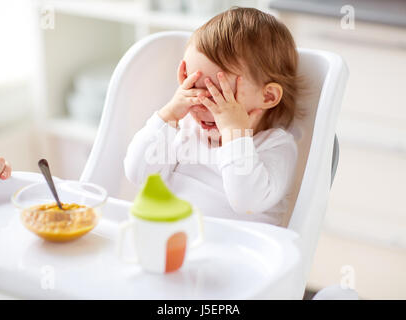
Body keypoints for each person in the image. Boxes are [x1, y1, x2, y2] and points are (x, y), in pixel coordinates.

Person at [124, 7, 300, 227]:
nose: (202, 103)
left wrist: (234, 134)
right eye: (193, 89)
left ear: (267, 95)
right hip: (172, 240)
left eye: (220, 94)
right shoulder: (185, 128)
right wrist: (169, 114)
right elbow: (138, 174)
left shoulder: (276, 146)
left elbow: (245, 201)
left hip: (235, 252)